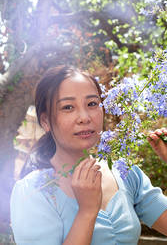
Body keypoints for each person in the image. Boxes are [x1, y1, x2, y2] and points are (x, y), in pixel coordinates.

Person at [10, 66, 167, 245]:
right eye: (68, 107)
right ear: (46, 121)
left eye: (92, 104)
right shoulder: (32, 192)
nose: (84, 117)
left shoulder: (126, 174)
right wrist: (87, 212)